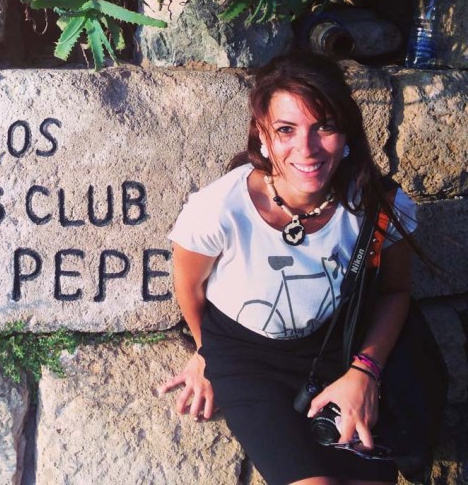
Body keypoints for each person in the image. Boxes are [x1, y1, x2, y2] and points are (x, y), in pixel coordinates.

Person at [158, 51, 417, 485]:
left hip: (337, 352)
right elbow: (190, 289)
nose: (307, 149)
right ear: (263, 134)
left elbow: (394, 291)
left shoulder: (378, 207)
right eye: (286, 130)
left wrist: (364, 373)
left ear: (347, 130)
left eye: (325, 127)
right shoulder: (219, 210)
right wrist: (210, 354)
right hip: (247, 360)